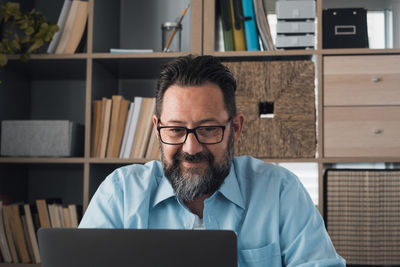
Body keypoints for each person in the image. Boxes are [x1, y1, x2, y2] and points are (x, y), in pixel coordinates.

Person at [79, 55, 345, 266]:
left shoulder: (280, 190)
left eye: (207, 129)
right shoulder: (120, 193)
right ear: (157, 128)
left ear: (236, 129)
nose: (191, 148)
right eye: (176, 130)